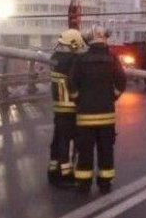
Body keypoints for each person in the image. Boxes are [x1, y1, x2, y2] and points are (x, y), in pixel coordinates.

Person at [69, 25, 127, 194]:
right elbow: (121, 81)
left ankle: (84, 184)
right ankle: (105, 183)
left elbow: (71, 82)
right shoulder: (112, 59)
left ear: (89, 40)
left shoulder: (80, 59)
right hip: (106, 116)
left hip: (85, 117)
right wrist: (113, 96)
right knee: (106, 151)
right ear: (104, 39)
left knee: (85, 152)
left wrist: (78, 98)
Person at [48, 29, 86, 188]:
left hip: (58, 107)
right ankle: (66, 175)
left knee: (58, 140)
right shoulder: (74, 60)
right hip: (71, 107)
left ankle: (53, 170)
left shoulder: (55, 58)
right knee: (69, 142)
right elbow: (78, 80)